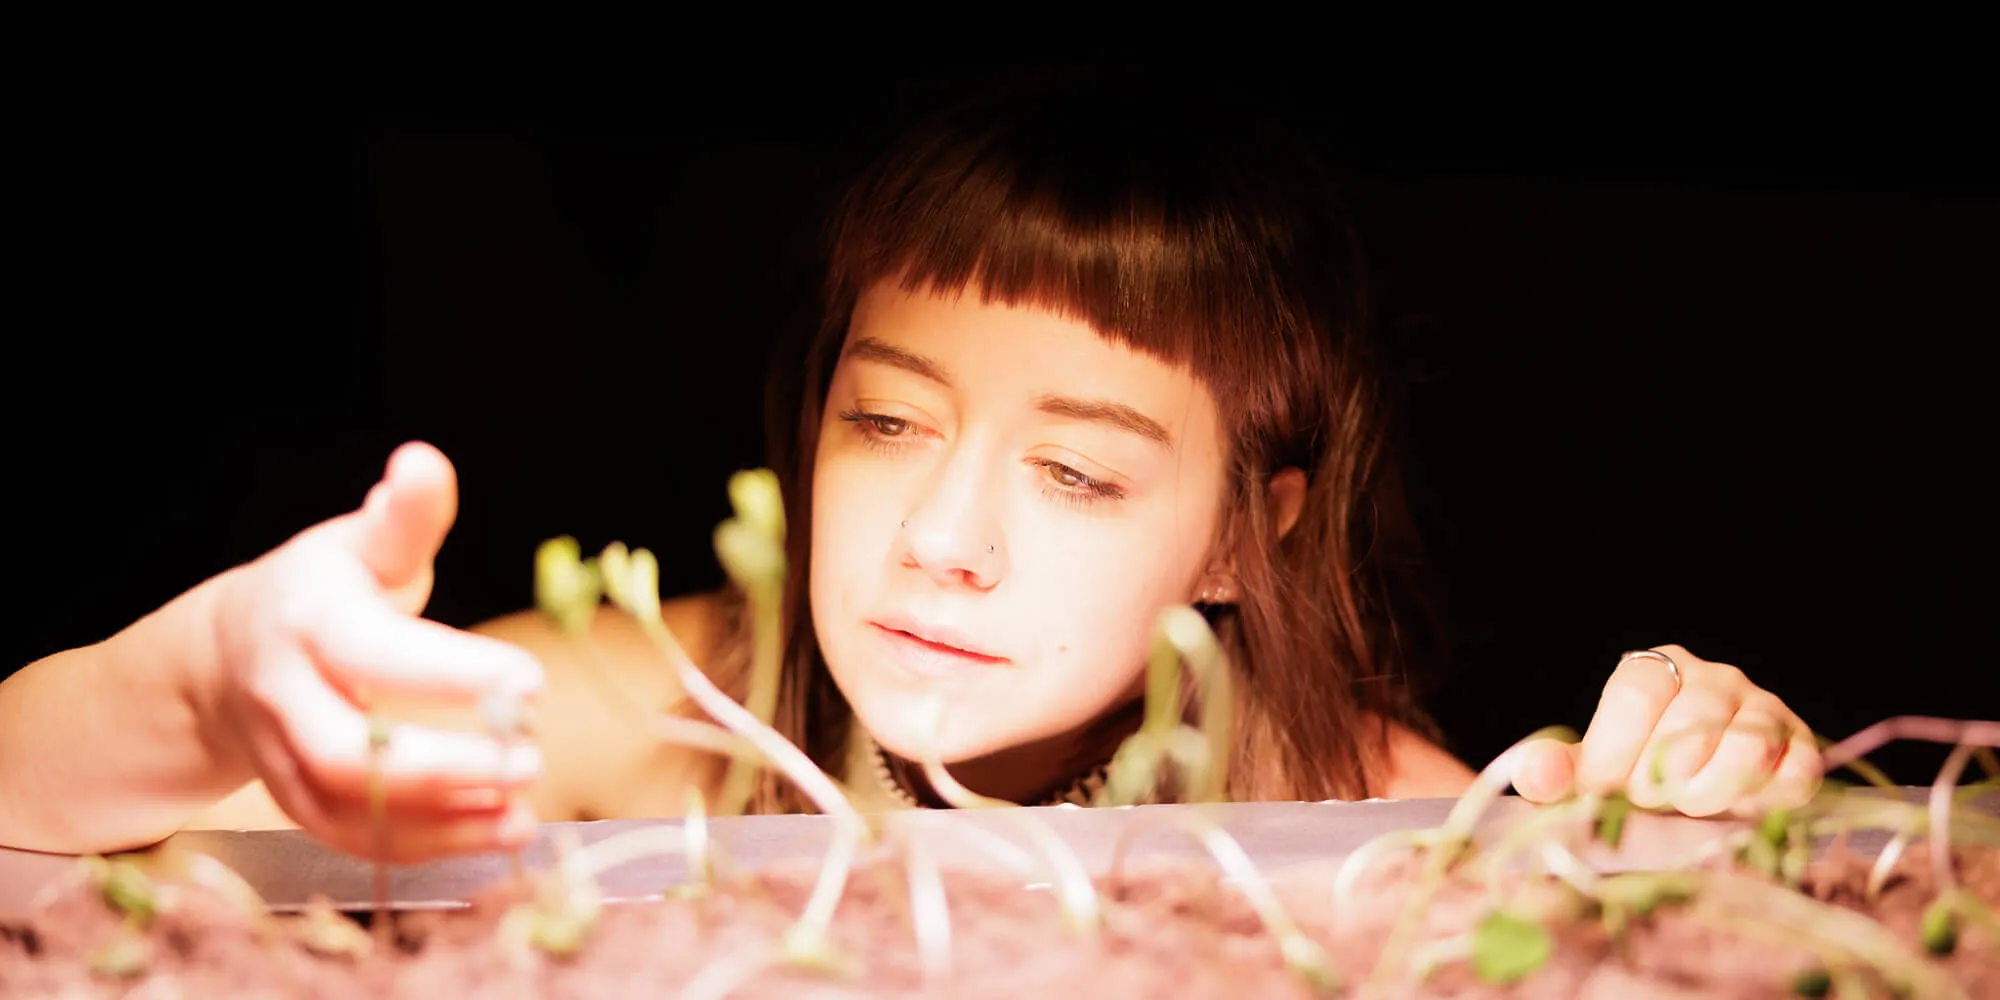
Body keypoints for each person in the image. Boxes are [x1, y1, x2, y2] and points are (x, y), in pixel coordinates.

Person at [0, 70, 1822, 864]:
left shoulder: (1396, 826)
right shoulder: (667, 706)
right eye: (887, 423)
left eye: (1083, 476)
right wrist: (192, 694)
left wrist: (1708, 832)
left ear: (1244, 533)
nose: (942, 541)